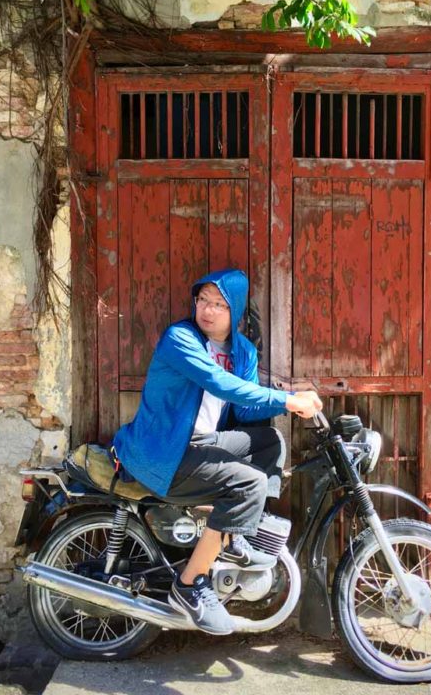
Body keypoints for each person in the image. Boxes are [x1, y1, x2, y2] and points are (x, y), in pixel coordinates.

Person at [111, 269, 322, 635]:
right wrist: (288, 400)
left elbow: (245, 411)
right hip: (163, 452)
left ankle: (238, 532)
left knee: (270, 442)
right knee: (249, 484)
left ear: (234, 310)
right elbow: (218, 383)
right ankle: (189, 585)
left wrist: (293, 400)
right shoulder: (180, 338)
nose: (207, 310)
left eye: (219, 304)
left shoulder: (243, 352)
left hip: (201, 443)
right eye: (202, 300)